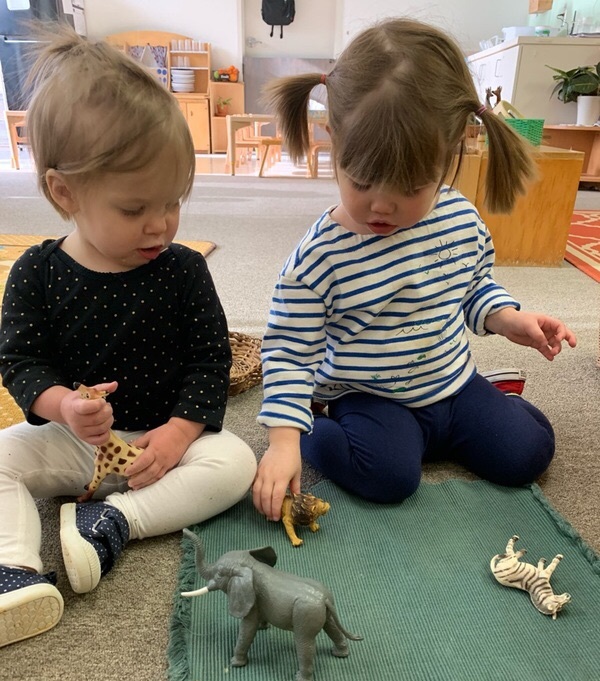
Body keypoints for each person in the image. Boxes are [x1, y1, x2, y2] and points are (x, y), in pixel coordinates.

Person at [252, 18, 577, 521]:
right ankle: (317, 424)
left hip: (452, 380)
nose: (382, 207)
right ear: (334, 139)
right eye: (361, 181)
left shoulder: (457, 216)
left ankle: (464, 416)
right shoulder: (319, 256)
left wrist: (506, 317)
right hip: (370, 395)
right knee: (388, 478)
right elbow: (289, 352)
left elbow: (470, 285)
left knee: (529, 451)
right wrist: (282, 440)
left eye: (410, 188)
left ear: (451, 153)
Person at [0, 27, 257, 648]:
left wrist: (178, 432)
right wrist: (62, 404)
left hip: (161, 444)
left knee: (236, 464)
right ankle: (14, 568)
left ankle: (112, 521)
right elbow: (19, 360)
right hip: (74, 441)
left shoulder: (184, 269)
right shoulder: (36, 271)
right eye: (134, 208)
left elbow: (208, 359)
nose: (161, 224)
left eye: (173, 202)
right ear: (65, 193)